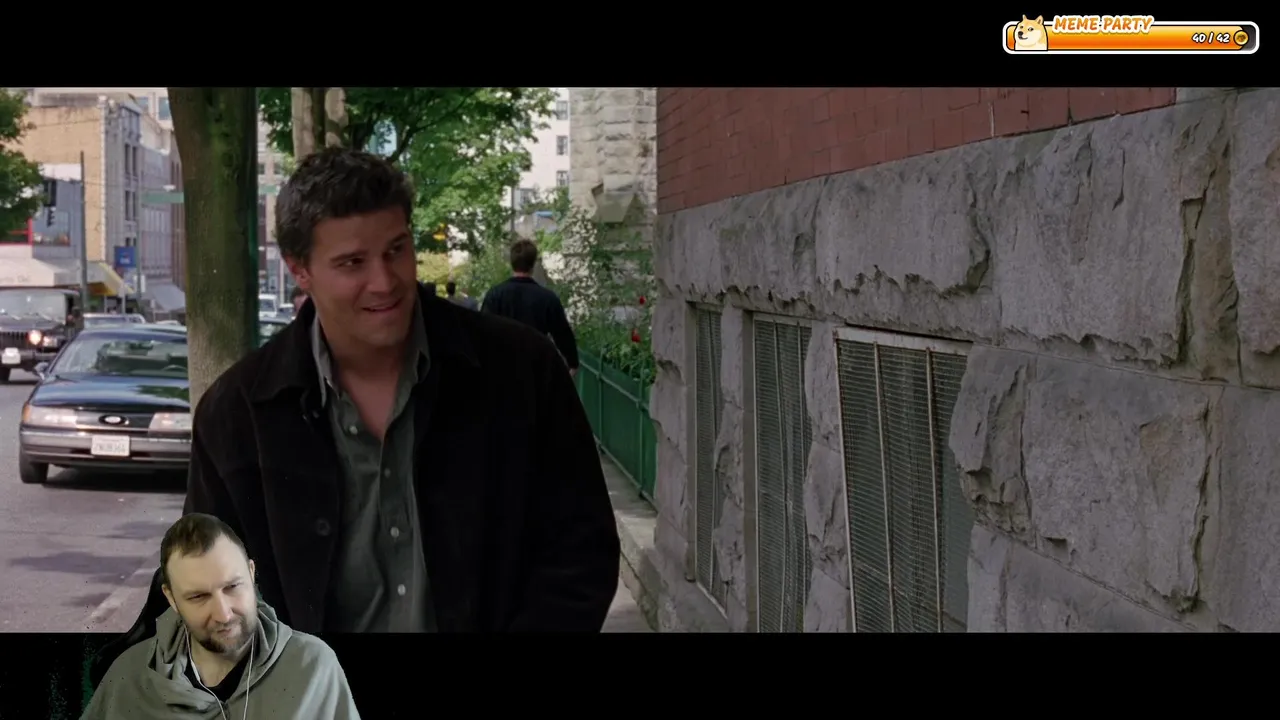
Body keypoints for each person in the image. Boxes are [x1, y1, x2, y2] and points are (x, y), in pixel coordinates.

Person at [184, 147, 619, 633]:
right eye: (353, 262)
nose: (384, 282)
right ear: (299, 270)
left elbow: (581, 552)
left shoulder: (523, 371)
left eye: (396, 250)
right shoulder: (236, 414)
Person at [82, 514, 360, 719]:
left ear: (251, 573)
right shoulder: (129, 676)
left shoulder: (312, 666)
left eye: (232, 587)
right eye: (198, 597)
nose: (224, 614)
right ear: (171, 598)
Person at [481, 239, 580, 377]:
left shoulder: (495, 295)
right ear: (533, 265)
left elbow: (483, 333)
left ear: (512, 263)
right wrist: (573, 363)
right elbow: (562, 334)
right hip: (536, 370)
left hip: (503, 370)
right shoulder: (548, 298)